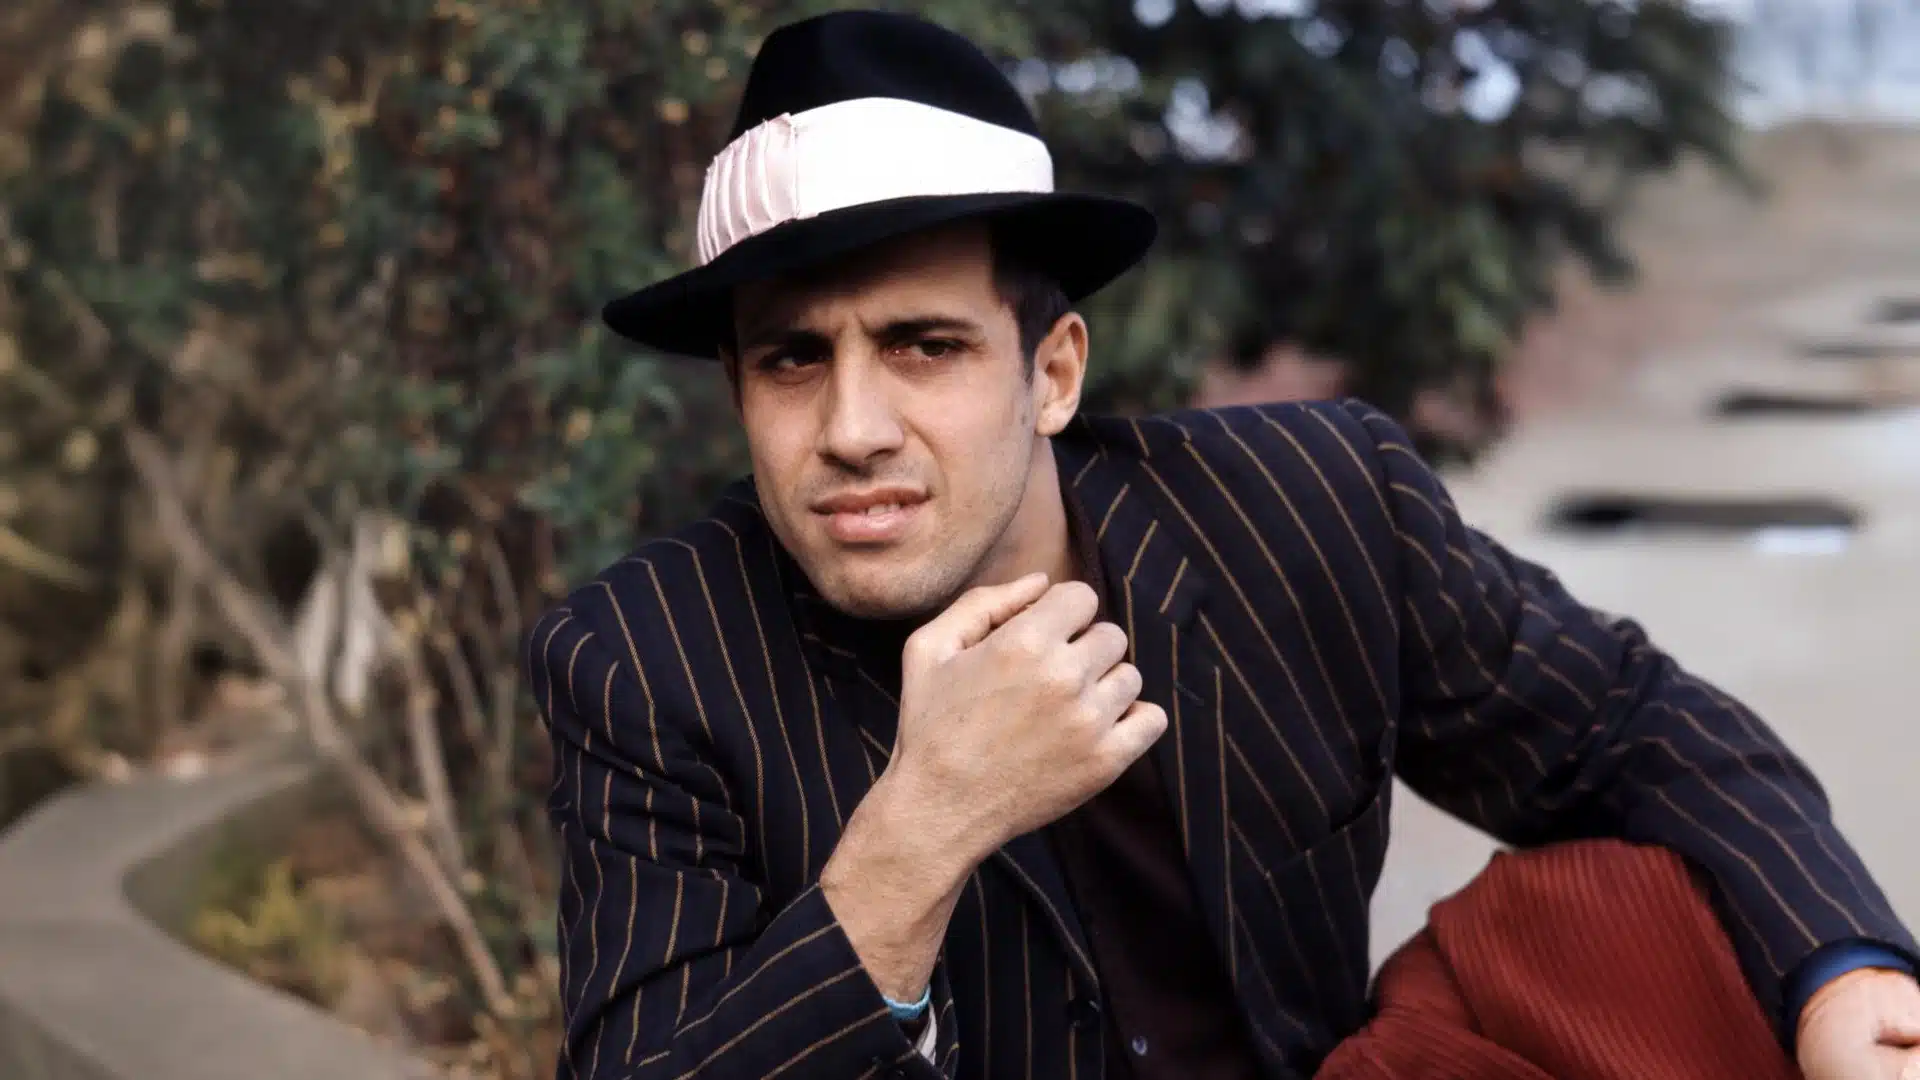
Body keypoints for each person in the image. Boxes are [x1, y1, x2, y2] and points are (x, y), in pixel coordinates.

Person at [525, 10, 1919, 1080]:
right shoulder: (646, 663)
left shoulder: (1311, 505)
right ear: (740, 391)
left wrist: (1844, 976)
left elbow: (1626, 728)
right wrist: (921, 829)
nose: (851, 429)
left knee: (1616, 915)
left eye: (923, 346)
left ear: (1052, 372)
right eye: (791, 360)